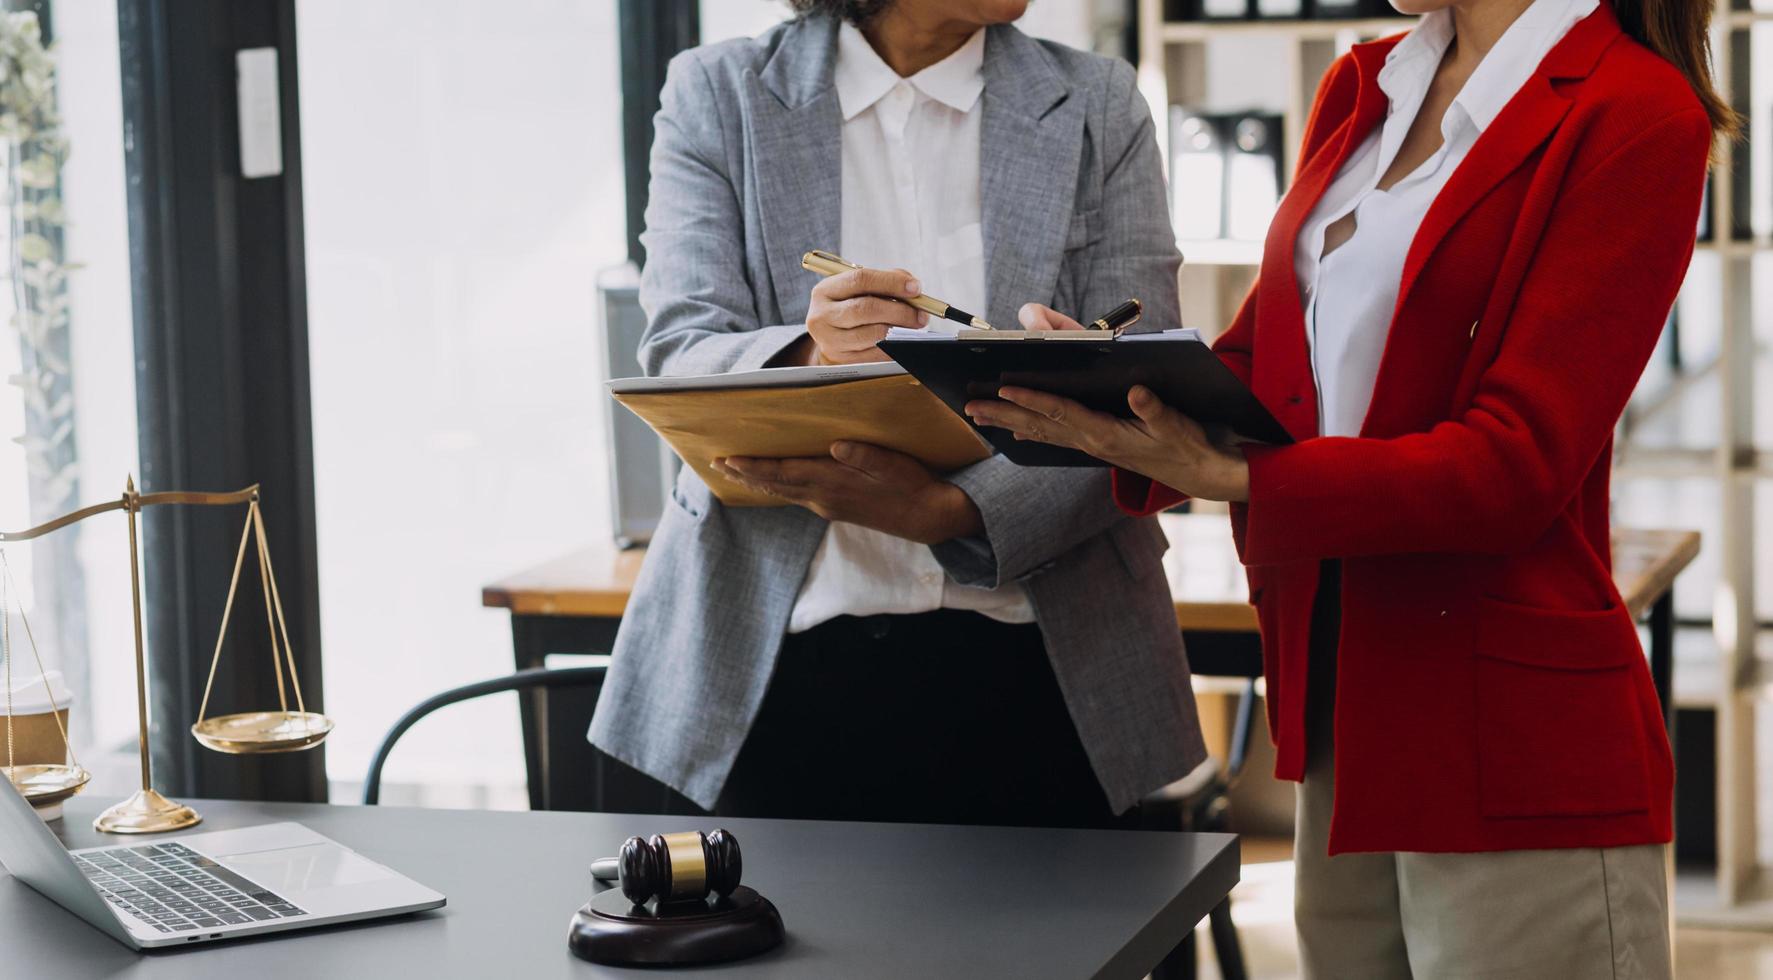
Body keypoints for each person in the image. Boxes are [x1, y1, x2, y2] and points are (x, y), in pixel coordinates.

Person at [965, 0, 1728, 973]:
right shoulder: (1364, 85)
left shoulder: (1635, 110)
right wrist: (1109, 385)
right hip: (1339, 715)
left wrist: (1238, 475)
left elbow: (1518, 462)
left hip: (1505, 740)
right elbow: (1272, 360)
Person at [588, 0, 1206, 829]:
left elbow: (1147, 402)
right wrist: (811, 356)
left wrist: (955, 513)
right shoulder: (719, 92)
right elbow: (680, 350)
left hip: (1053, 658)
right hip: (773, 665)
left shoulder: (1095, 101)